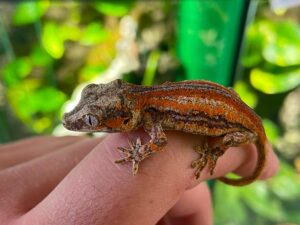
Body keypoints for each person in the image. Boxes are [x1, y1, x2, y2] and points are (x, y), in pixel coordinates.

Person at [0, 131, 278, 225]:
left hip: (233, 125)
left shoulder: (154, 118)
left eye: (91, 121)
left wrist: (137, 154)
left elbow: (158, 141)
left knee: (212, 146)